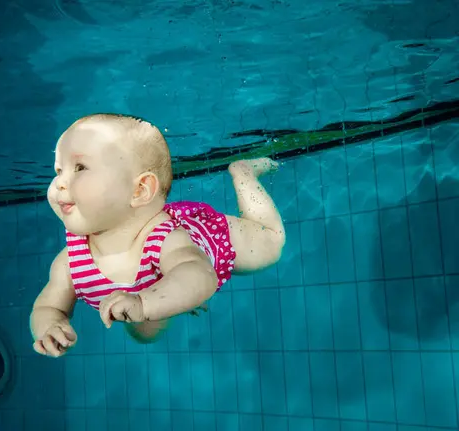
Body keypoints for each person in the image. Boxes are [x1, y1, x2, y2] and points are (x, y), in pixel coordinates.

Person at [29, 113, 286, 357]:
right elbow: (47, 307)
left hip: (210, 237)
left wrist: (143, 303)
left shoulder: (166, 240)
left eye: (80, 167)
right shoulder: (70, 263)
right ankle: (174, 298)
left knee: (273, 244)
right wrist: (49, 327)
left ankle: (243, 174)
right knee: (144, 333)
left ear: (140, 190)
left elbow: (201, 275)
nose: (59, 183)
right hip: (149, 287)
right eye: (59, 170)